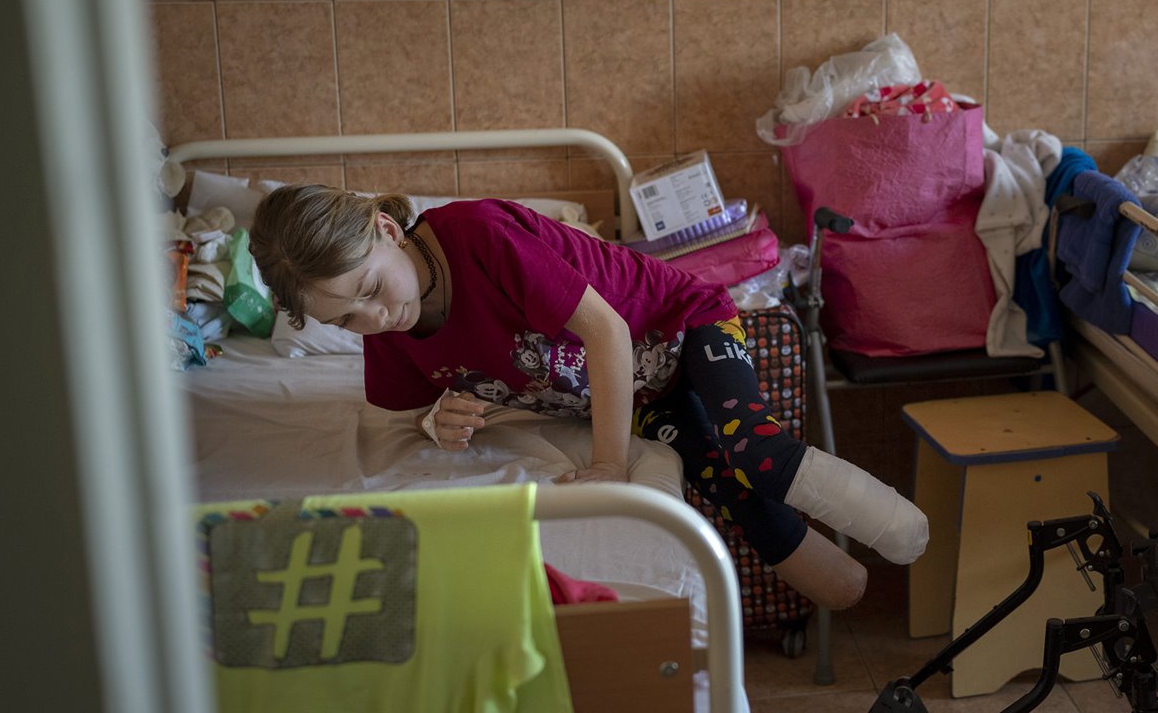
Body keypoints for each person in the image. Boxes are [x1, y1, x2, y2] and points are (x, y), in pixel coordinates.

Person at [248, 186, 928, 610]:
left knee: (756, 450)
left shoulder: (479, 236)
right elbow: (408, 409)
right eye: (343, 321)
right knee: (725, 485)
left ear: (388, 233)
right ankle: (853, 592)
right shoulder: (387, 332)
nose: (371, 319)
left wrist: (609, 464)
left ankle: (904, 533)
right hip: (641, 388)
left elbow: (604, 329)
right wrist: (438, 415)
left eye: (369, 289)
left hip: (682, 325)